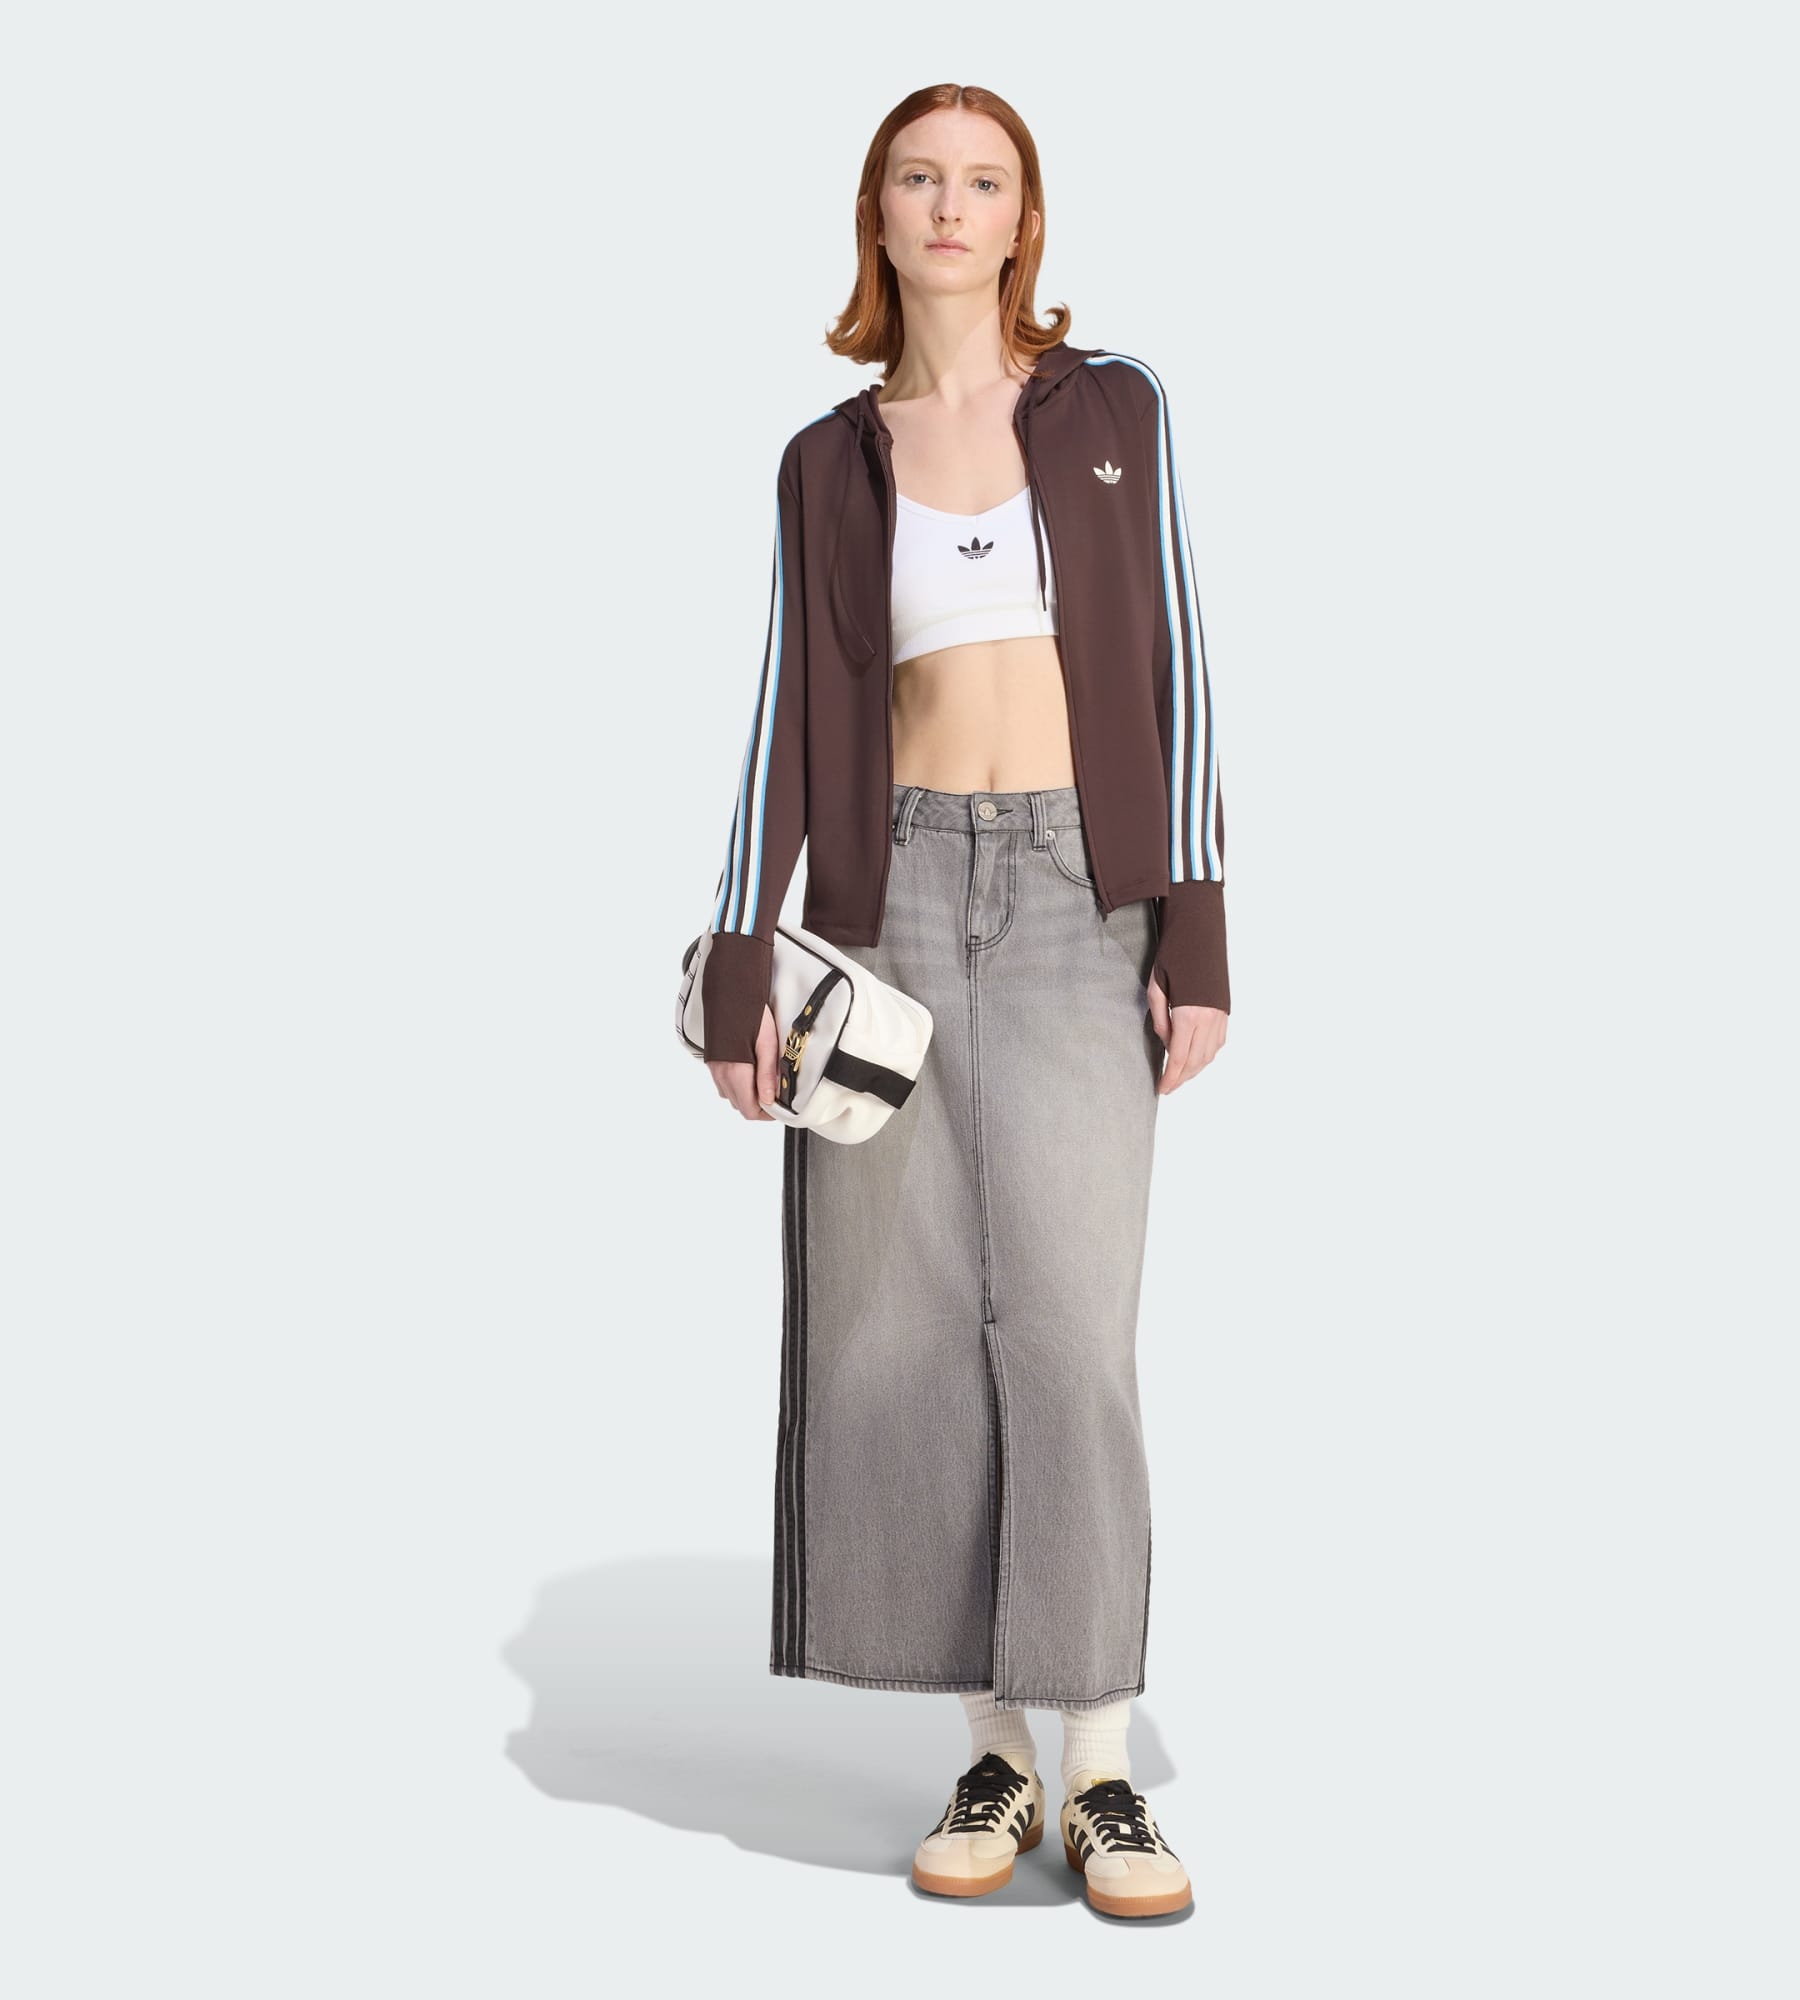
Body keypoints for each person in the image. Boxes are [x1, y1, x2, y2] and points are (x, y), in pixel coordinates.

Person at [699, 83, 1229, 1921]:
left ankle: (1104, 1767)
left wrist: (1197, 931)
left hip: (1087, 894)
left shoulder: (1114, 410)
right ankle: (996, 1748)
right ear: (879, 211)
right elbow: (786, 707)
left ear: (1023, 220)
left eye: (983, 180)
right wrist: (743, 953)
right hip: (895, 904)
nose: (950, 205)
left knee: (1071, 1323)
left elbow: (1177, 664)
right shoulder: (825, 461)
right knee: (907, 1324)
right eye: (919, 177)